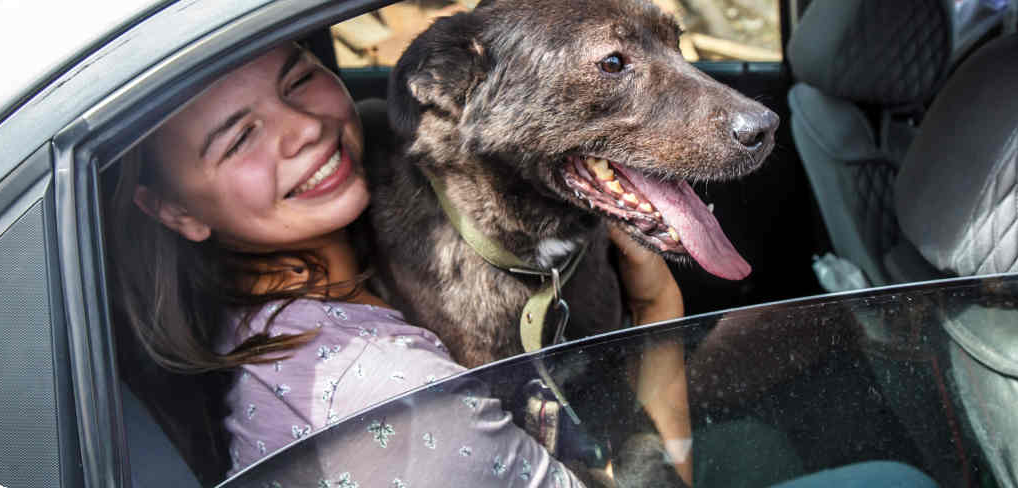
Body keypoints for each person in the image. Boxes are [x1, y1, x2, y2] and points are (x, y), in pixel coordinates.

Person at [105, 42, 695, 486]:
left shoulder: (271, 303)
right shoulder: (390, 396)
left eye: (301, 80)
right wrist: (656, 304)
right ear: (173, 210)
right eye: (238, 141)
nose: (305, 127)